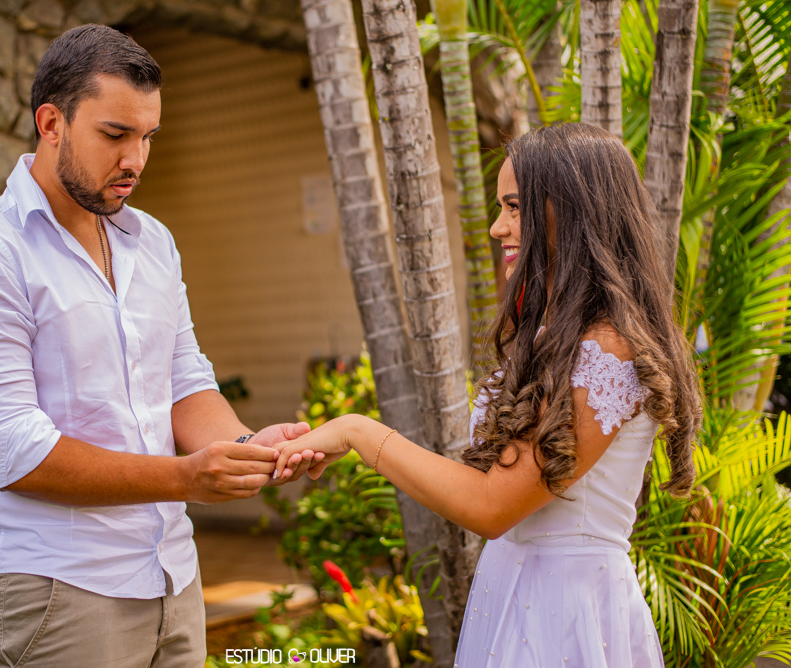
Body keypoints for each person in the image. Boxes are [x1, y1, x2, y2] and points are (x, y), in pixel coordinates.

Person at [0, 25, 320, 668]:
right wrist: (186, 477)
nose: (136, 159)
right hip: (54, 594)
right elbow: (11, 451)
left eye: (148, 136)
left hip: (173, 579)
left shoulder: (152, 241)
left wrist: (246, 448)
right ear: (52, 123)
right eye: (115, 134)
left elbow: (183, 380)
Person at [271, 123, 702, 667]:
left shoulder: (607, 350)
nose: (499, 227)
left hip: (567, 618)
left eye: (514, 207)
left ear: (573, 212)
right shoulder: (553, 336)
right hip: (512, 592)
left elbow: (491, 504)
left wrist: (358, 432)